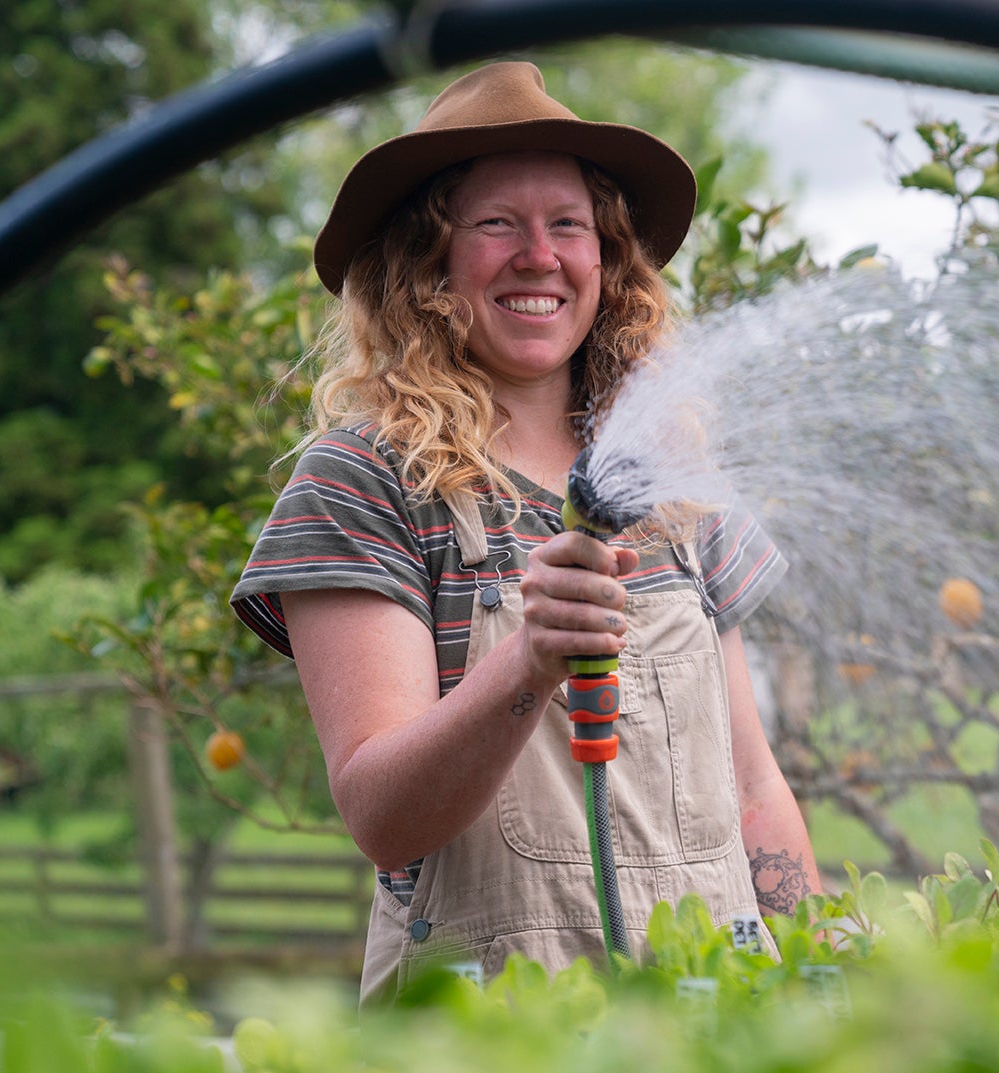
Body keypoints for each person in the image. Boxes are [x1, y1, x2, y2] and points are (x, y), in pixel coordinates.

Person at [230, 61, 821, 1005]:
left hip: (713, 1022)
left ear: (607, 259)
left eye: (569, 225)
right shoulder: (362, 483)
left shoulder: (670, 480)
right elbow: (385, 817)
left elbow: (752, 785)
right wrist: (530, 659)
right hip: (485, 1030)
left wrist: (825, 978)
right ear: (426, 260)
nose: (538, 255)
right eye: (496, 224)